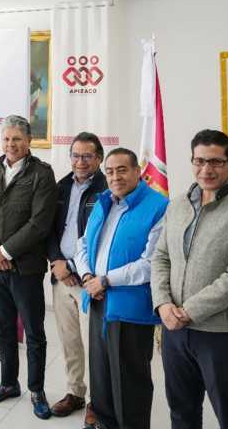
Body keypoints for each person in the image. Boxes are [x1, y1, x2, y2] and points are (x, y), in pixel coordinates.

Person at [152, 130, 228, 428]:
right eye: (200, 161)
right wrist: (163, 304)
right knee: (182, 412)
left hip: (223, 335)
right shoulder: (178, 204)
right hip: (175, 332)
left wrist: (187, 311)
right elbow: (160, 257)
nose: (207, 169)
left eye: (216, 162)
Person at [74, 147, 168, 429]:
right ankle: (104, 423)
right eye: (110, 171)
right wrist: (88, 275)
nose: (115, 177)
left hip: (130, 309)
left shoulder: (158, 206)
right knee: (101, 376)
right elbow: (83, 244)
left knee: (129, 384)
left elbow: (151, 263)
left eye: (123, 170)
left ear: (138, 172)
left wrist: (105, 280)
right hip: (98, 299)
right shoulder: (104, 201)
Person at [0, 115, 57, 420]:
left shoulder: (42, 173)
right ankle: (9, 383)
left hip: (26, 270)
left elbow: (40, 223)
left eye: (17, 139)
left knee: (33, 332)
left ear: (29, 141)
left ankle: (36, 390)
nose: (11, 144)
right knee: (4, 329)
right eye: (6, 139)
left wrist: (6, 250)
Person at [46, 132, 107, 423]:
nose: (80, 161)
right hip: (61, 277)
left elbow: (102, 239)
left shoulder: (107, 190)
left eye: (87, 156)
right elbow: (48, 229)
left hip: (88, 281)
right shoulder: (61, 187)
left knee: (93, 344)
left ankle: (97, 401)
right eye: (75, 155)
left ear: (99, 158)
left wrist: (72, 266)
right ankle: (75, 392)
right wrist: (57, 262)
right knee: (69, 341)